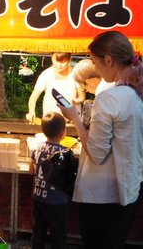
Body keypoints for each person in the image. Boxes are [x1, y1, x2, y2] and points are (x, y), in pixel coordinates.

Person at [59, 31, 143, 249]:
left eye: (96, 62)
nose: (95, 68)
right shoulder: (136, 94)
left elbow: (96, 153)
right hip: (129, 188)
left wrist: (74, 116)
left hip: (102, 196)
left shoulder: (109, 97)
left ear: (108, 60)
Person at [29, 112, 69, 249]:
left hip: (38, 198)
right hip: (57, 201)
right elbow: (68, 178)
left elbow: (31, 170)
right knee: (58, 235)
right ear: (63, 133)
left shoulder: (37, 148)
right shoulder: (65, 153)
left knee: (38, 232)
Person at [26, 52, 83, 123]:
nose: (59, 65)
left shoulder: (76, 74)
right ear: (52, 58)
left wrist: (75, 102)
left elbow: (82, 97)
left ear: (69, 60)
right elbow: (34, 97)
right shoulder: (46, 74)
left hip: (72, 120)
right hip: (50, 120)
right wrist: (31, 111)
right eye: (57, 61)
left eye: (63, 62)